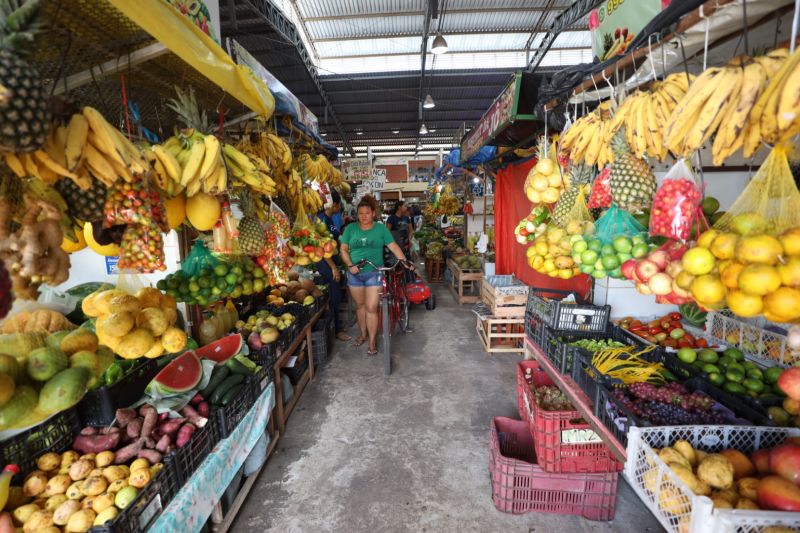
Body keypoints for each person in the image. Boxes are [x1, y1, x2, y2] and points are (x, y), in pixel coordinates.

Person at [340, 195, 413, 356]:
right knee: (360, 306)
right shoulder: (350, 229)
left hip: (374, 272)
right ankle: (363, 334)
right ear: (357, 214)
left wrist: (404, 261)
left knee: (372, 307)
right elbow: (343, 249)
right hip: (355, 273)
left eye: (367, 213)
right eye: (361, 213)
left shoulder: (381, 229)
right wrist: (350, 265)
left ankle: (372, 340)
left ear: (373, 213)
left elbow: (393, 246)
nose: (364, 216)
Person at [315, 190, 351, 341]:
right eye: (339, 206)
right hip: (326, 264)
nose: (339, 210)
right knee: (334, 295)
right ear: (334, 204)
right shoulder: (322, 220)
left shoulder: (328, 219)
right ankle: (337, 330)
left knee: (334, 294)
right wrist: (334, 267)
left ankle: (335, 327)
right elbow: (321, 247)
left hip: (331, 262)